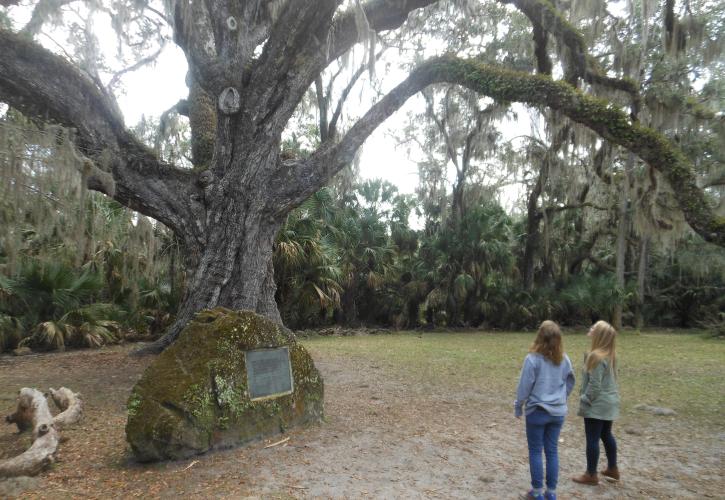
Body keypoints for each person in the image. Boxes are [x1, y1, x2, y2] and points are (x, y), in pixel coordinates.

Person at [515, 320, 575, 500]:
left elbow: (524, 387)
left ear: (539, 337)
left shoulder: (532, 359)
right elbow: (570, 380)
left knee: (535, 451)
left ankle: (537, 492)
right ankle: (551, 492)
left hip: (537, 412)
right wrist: (562, 398)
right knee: (551, 451)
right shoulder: (564, 359)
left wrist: (518, 405)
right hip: (557, 413)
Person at [572, 320, 620, 486]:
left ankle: (591, 474)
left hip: (597, 404)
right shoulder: (610, 354)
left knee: (592, 438)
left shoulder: (596, 356)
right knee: (606, 435)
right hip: (610, 402)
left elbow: (595, 385)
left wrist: (585, 399)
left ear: (599, 335)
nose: (590, 328)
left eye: (594, 327)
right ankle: (613, 468)